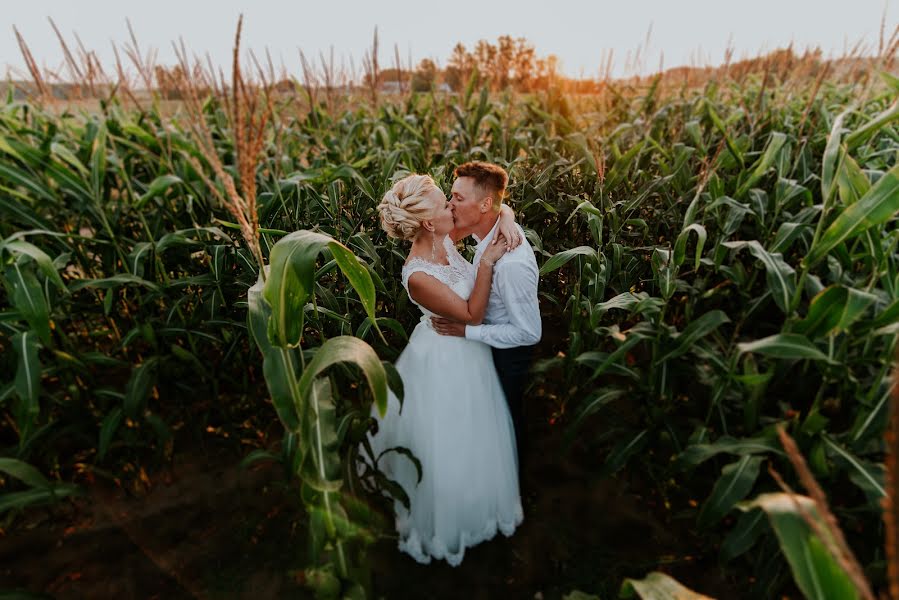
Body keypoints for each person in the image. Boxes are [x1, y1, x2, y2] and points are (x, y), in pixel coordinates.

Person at [365, 172, 524, 567]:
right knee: (448, 442)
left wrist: (505, 216)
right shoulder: (418, 276)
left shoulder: (445, 237)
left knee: (477, 434)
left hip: (469, 351)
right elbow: (473, 314)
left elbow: (494, 207)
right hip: (445, 359)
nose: (452, 206)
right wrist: (485, 261)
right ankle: (445, 519)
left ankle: (478, 498)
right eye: (444, 204)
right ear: (428, 222)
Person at [432, 162, 541, 466]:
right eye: (450, 197)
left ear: (485, 204)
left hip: (507, 353)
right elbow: (499, 210)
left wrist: (467, 331)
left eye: (457, 198)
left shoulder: (511, 264)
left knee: (505, 426)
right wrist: (507, 212)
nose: (449, 204)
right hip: (484, 343)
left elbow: (529, 333)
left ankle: (513, 486)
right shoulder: (492, 228)